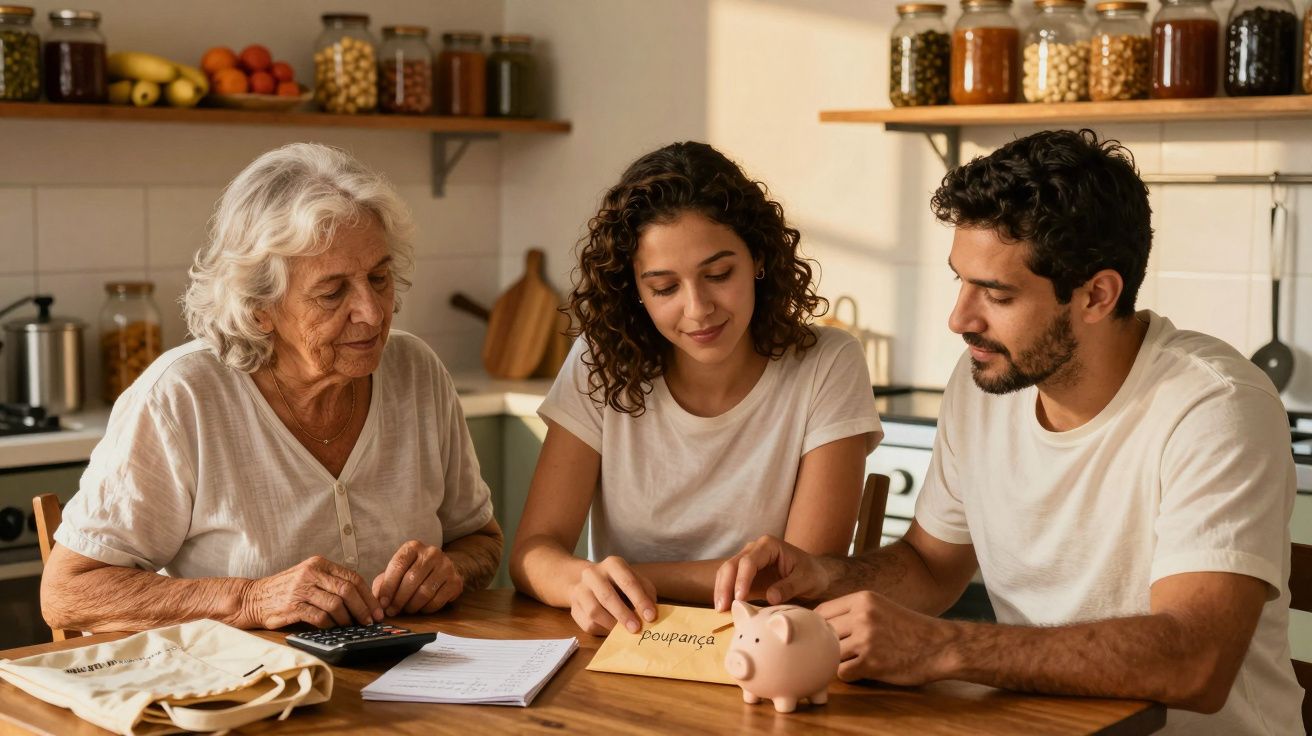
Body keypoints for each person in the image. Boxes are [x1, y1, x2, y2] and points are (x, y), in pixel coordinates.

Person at [714, 129, 1303, 734]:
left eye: (995, 293)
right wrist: (822, 575)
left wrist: (944, 648)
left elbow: (1195, 661)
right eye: (959, 281)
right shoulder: (984, 382)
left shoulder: (1215, 406)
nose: (959, 319)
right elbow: (929, 565)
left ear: (1097, 295)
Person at [41, 143, 502, 633]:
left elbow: (482, 540)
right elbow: (68, 591)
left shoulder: (417, 372)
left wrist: (450, 572)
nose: (371, 312)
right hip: (246, 698)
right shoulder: (183, 396)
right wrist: (249, 599)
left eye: (380, 278)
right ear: (259, 306)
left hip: (413, 687)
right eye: (332, 292)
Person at [510, 141, 883, 635]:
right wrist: (582, 582)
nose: (698, 308)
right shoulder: (599, 360)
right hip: (630, 648)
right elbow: (534, 551)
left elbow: (796, 579)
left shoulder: (827, 362)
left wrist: (634, 580)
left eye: (719, 274)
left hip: (769, 651)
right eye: (664, 288)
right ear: (635, 292)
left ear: (758, 259)